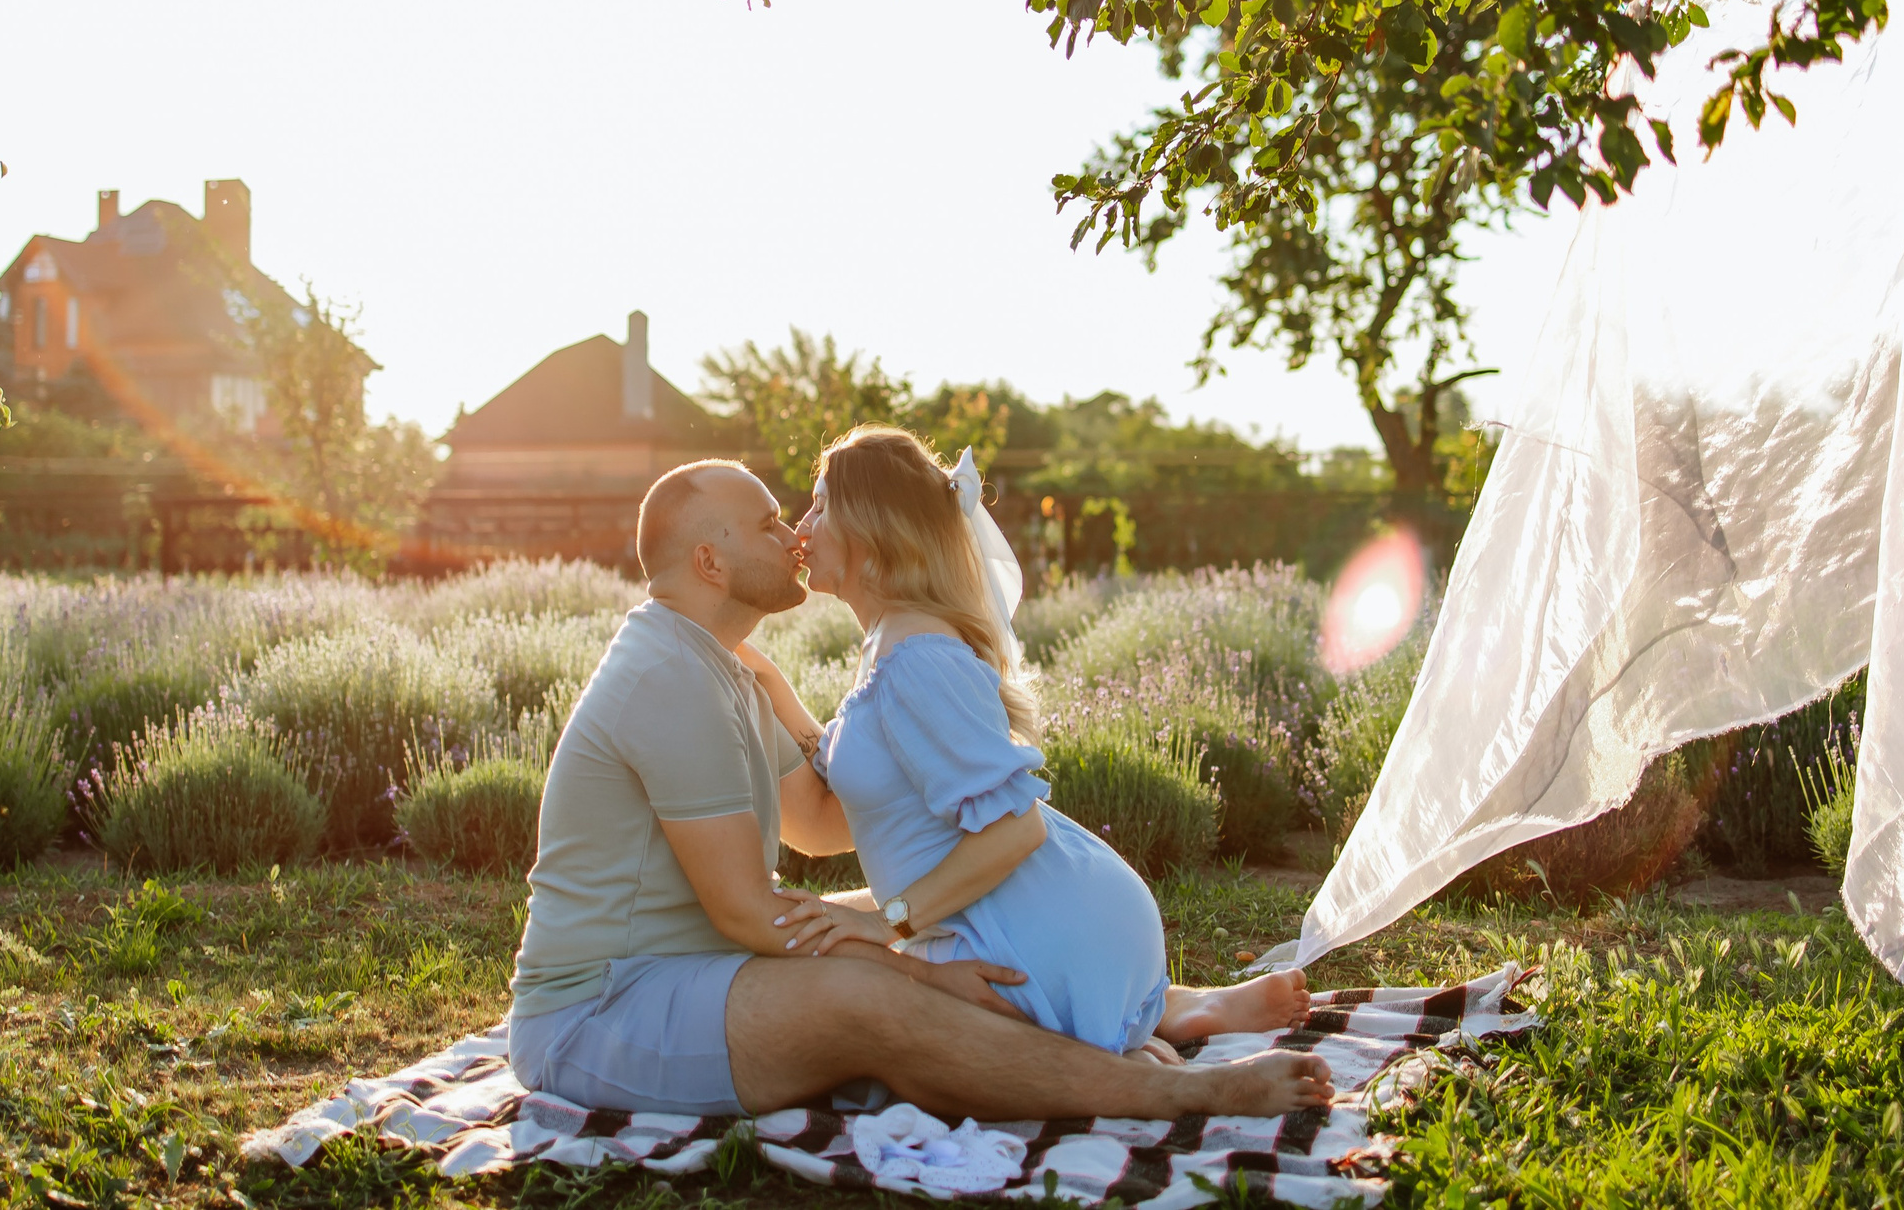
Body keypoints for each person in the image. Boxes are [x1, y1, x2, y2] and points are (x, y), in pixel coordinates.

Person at [504, 456, 1331, 1121]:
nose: (791, 530)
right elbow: (747, 916)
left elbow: (819, 827)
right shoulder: (669, 678)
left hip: (688, 973)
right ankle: (1181, 1093)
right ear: (710, 560)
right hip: (599, 1012)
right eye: (767, 521)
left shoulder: (723, 671)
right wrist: (923, 970)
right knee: (867, 990)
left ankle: (1123, 1017)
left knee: (886, 926)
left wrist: (887, 919)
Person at [751, 427, 1313, 1062]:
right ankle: (1160, 1014)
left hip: (1027, 925)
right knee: (818, 933)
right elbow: (831, 814)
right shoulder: (891, 643)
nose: (804, 523)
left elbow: (1017, 833)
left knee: (846, 991)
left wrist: (887, 924)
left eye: (821, 504)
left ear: (871, 525)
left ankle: (1114, 1032)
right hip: (1005, 913)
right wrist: (766, 679)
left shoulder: (917, 659)